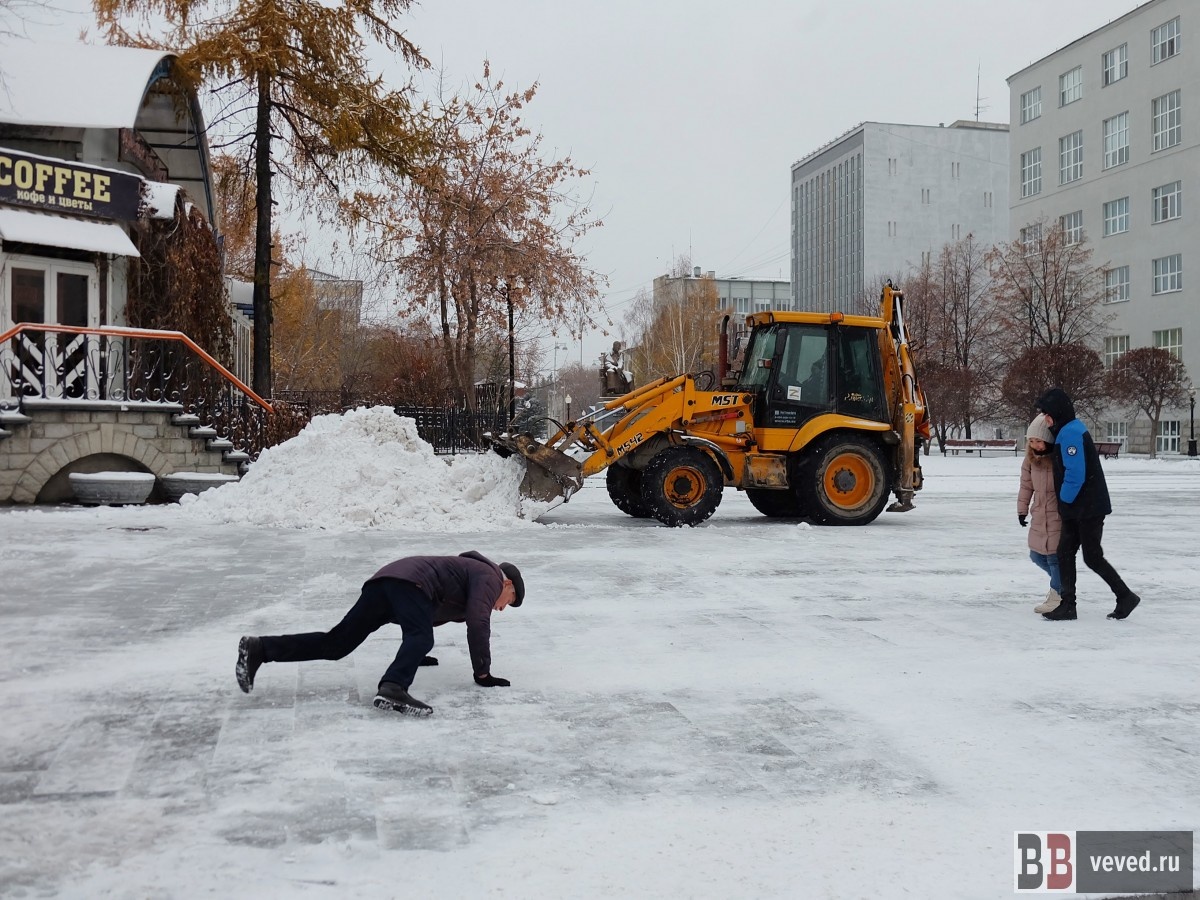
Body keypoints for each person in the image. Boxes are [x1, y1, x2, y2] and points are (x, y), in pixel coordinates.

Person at [235, 551, 525, 716]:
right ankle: (393, 688)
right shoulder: (490, 578)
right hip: (410, 584)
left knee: (337, 643)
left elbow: (431, 614)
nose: (501, 608)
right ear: (507, 583)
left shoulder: (472, 573)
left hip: (386, 581)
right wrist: (483, 674)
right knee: (422, 638)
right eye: (509, 601)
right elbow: (478, 622)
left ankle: (261, 648)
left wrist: (415, 651)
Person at [1035, 388, 1140, 621]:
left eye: (1047, 414)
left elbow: (1076, 473)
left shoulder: (1071, 433)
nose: (1046, 419)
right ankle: (1068, 605)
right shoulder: (1066, 431)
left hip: (1087, 508)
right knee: (1065, 553)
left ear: (1057, 413)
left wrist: (1064, 499)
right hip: (1079, 508)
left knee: (1091, 556)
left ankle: (1125, 596)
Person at [1018, 415, 1063, 614]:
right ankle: (1063, 581)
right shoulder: (1030, 460)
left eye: (1039, 440)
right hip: (1039, 513)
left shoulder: (1058, 459)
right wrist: (1022, 509)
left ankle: (1057, 594)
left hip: (1057, 514)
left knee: (1054, 557)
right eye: (1032, 441)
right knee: (1036, 555)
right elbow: (1026, 485)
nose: (1035, 445)